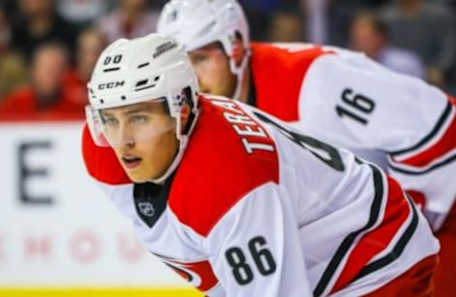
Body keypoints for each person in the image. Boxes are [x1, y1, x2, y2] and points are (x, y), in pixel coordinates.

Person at [82, 33, 439, 297]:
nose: (122, 139)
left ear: (183, 111)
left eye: (139, 118)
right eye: (109, 119)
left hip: (377, 253)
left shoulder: (228, 180)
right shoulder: (102, 148)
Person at [156, 1, 456, 295]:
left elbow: (439, 123)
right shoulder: (200, 123)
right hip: (370, 245)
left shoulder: (315, 78)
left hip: (435, 227)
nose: (190, 81)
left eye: (199, 59)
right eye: (179, 69)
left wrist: (411, 218)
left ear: (234, 47)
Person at [0, 42, 84, 117]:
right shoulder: (11, 106)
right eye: (45, 69)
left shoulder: (78, 108)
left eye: (55, 69)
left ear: (65, 73)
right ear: (33, 71)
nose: (50, 75)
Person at [349, 11, 425, 79]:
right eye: (356, 36)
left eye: (364, 37)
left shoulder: (406, 63)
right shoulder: (349, 63)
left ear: (381, 37)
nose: (357, 42)